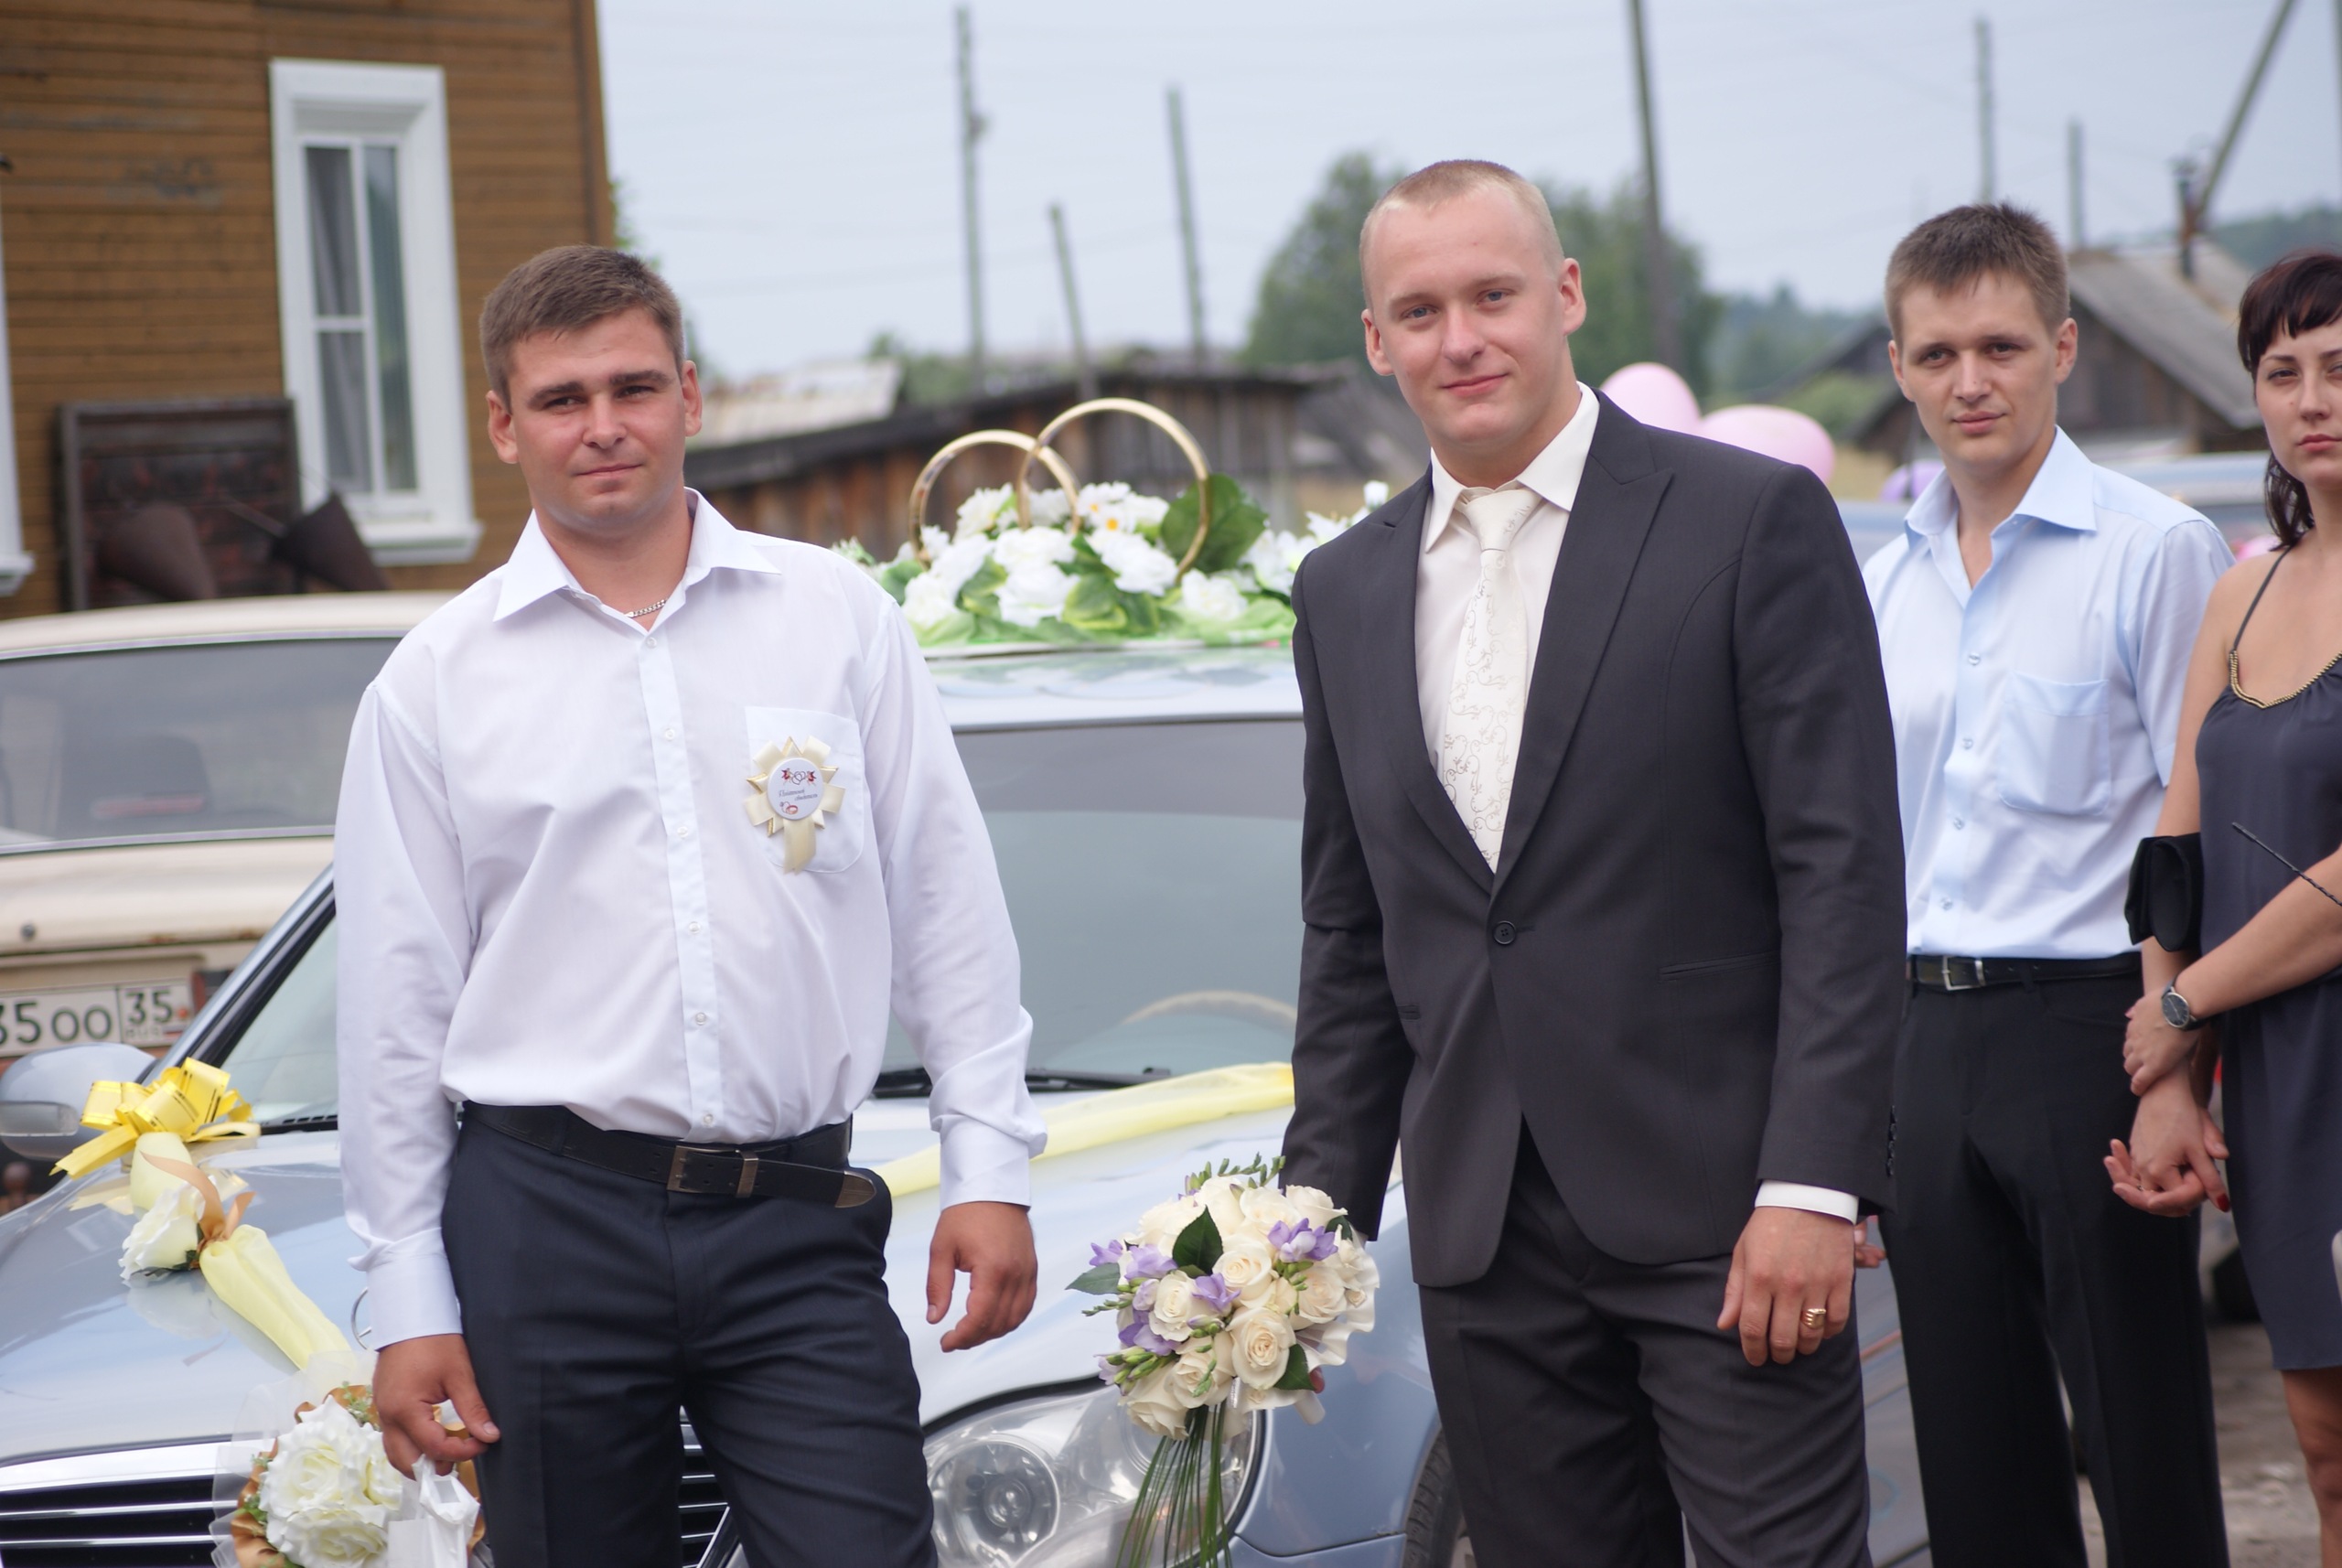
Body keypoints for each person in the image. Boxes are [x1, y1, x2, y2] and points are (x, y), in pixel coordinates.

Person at [334, 245, 1046, 1568]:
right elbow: (394, 1010)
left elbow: (945, 898)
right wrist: (408, 1294)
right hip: (545, 1224)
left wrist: (989, 1168)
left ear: (691, 395)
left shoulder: (833, 617)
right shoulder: (434, 682)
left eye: (634, 387)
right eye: (561, 399)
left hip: (796, 1219)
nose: (603, 425)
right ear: (503, 424)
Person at [1279, 159, 1905, 1567]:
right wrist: (1309, 1233)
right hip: (1483, 1242)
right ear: (1376, 340)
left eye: (1493, 296)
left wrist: (1814, 1181)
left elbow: (1843, 874)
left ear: (1564, 295)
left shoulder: (1748, 520)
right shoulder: (1343, 589)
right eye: (1420, 312)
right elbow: (1353, 930)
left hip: (1731, 1218)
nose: (1462, 340)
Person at [1861, 203, 2233, 1567]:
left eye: (2002, 347)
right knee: (1975, 1462)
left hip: (2096, 1032)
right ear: (1900, 368)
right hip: (1922, 1040)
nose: (1971, 381)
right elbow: (1868, 849)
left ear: (2062, 348)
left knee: (2143, 1440)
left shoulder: (2158, 550)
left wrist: (2181, 1065)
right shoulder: (1884, 580)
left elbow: (2199, 825)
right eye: (1938, 353)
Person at [2111, 247, 2342, 1563]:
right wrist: (2169, 1074)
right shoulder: (2238, 593)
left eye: (2341, 369)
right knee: (2325, 1453)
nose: (2313, 400)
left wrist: (2186, 1005)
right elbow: (2176, 846)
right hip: (2276, 1076)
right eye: (2282, 371)